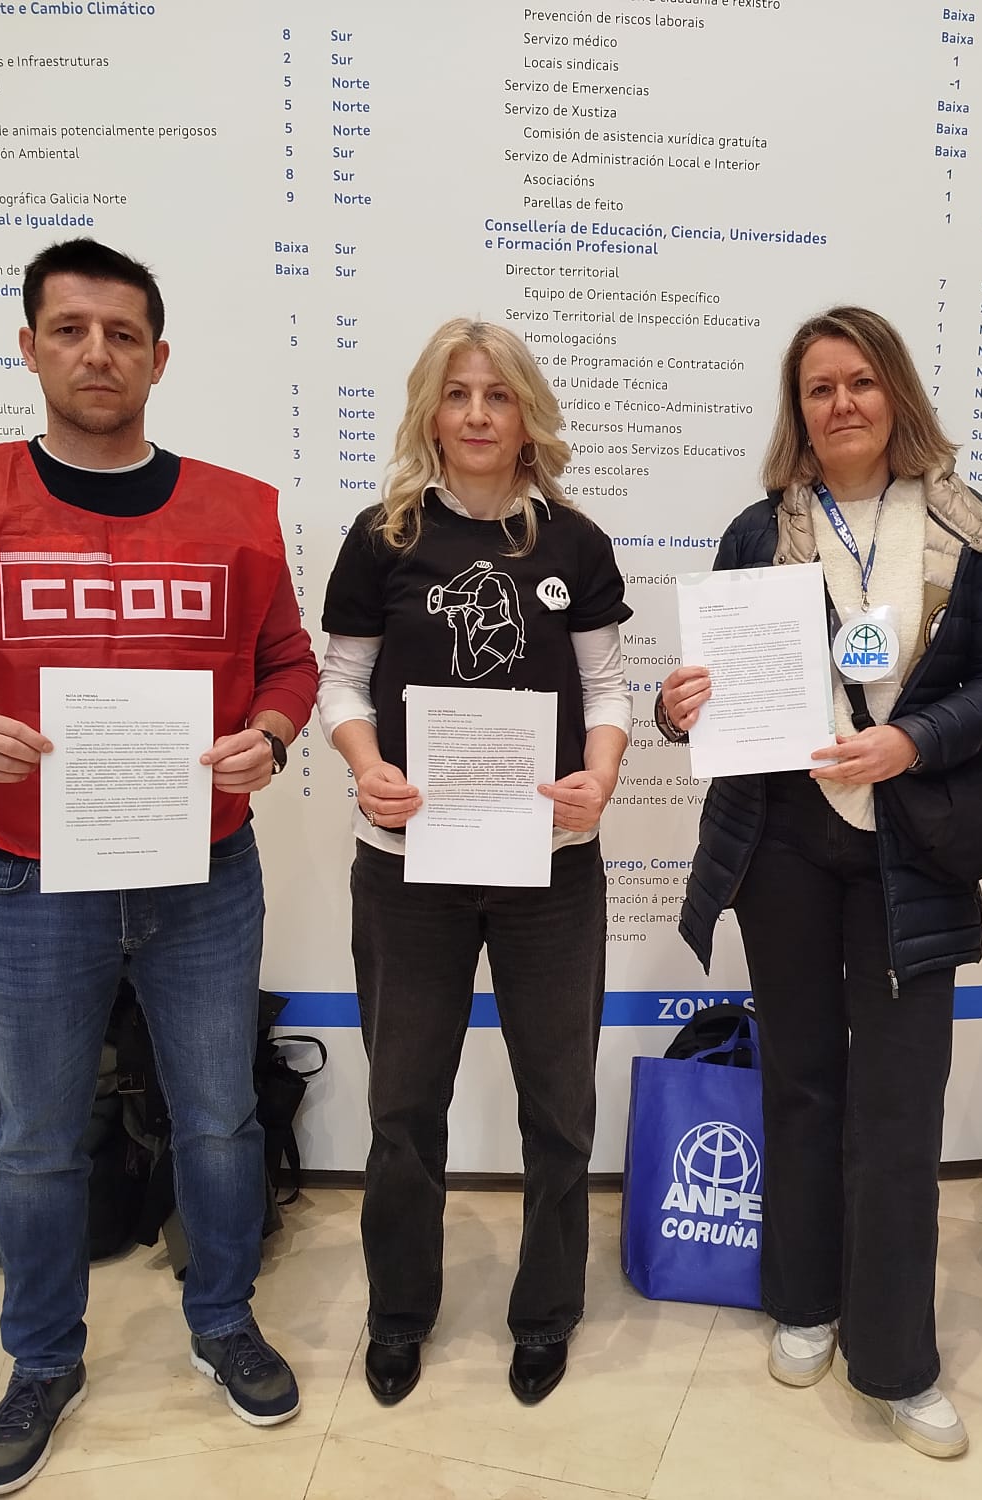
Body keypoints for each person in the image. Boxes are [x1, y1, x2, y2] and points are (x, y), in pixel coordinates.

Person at [0, 239, 315, 1496]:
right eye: (69, 330)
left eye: (122, 334)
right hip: (27, 878)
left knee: (218, 1119)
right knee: (38, 1141)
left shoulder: (236, 511)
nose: (96, 354)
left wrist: (271, 736)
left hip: (201, 874)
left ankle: (222, 1322)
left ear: (159, 358)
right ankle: (41, 1359)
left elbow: (288, 662)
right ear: (29, 348)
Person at [655, 307, 982, 1458]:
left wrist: (912, 739)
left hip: (908, 847)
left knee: (898, 1106)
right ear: (798, 409)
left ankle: (897, 1360)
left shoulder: (966, 525)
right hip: (780, 842)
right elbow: (715, 691)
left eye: (859, 382)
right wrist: (681, 708)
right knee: (801, 1084)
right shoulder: (756, 529)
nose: (840, 404)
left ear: (895, 393)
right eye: (817, 388)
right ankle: (803, 1301)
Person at [317, 318, 631, 1408]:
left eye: (498, 395)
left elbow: (607, 690)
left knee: (559, 1105)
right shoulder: (383, 539)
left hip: (553, 864)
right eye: (457, 394)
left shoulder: (574, 545)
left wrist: (599, 776)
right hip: (408, 865)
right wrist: (367, 767)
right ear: (431, 411)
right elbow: (341, 683)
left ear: (526, 412)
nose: (478, 414)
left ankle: (545, 1312)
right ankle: (398, 1312)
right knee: (404, 1105)